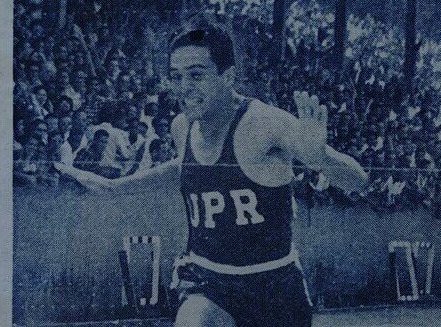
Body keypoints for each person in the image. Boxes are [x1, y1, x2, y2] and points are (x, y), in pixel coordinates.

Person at [55, 25, 368, 327]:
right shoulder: (182, 127)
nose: (184, 88)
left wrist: (320, 157)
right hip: (209, 280)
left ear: (227, 76)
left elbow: (359, 181)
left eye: (196, 75)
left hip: (272, 285)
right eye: (176, 77)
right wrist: (115, 187)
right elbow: (186, 168)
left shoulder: (265, 124)